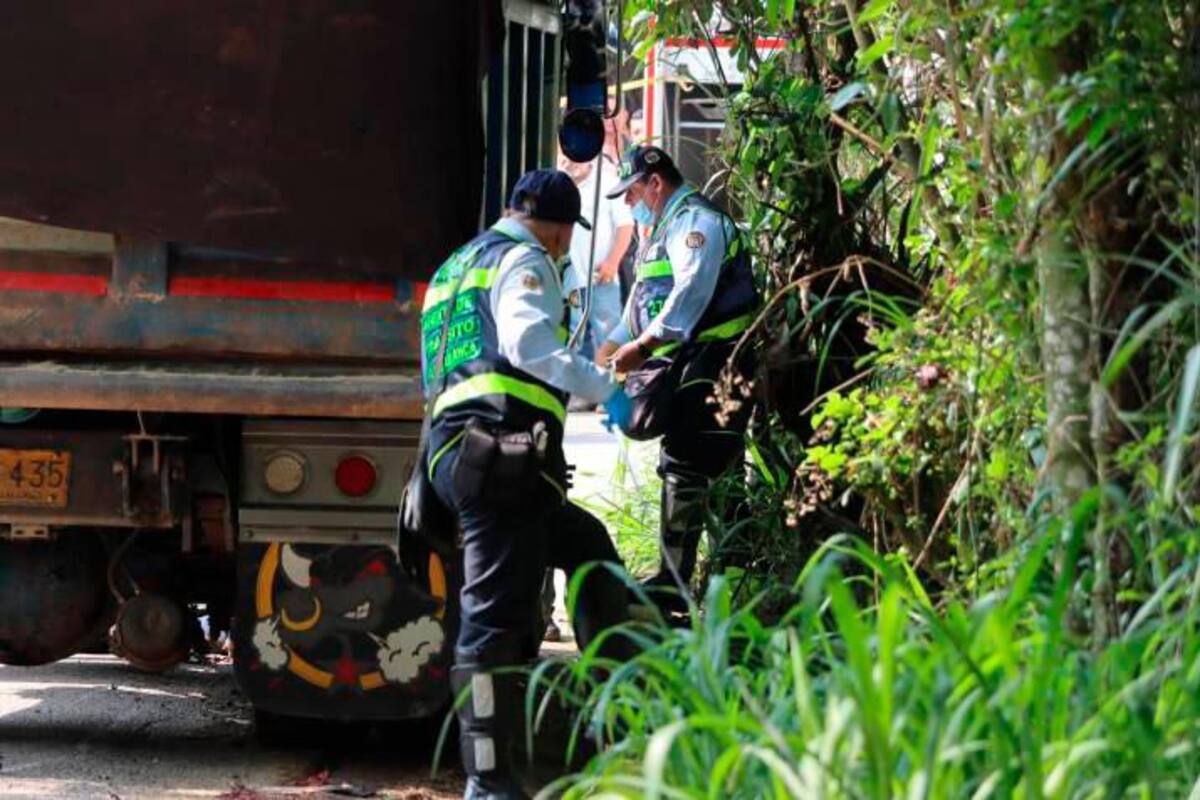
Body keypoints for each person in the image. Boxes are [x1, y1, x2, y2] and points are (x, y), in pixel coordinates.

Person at [420, 169, 634, 799]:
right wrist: (606, 391)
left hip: (456, 454)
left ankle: (612, 711)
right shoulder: (525, 260)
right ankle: (487, 782)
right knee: (489, 622)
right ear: (558, 227)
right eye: (567, 235)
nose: (566, 247)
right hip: (498, 458)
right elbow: (527, 344)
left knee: (587, 545)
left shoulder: (454, 268)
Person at [597, 146, 757, 608]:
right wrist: (604, 353)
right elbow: (637, 310)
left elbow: (691, 291)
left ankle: (686, 582)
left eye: (631, 193)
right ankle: (721, 576)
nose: (629, 203)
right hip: (689, 364)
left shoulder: (696, 223)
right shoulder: (661, 231)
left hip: (716, 362)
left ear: (655, 183)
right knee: (697, 463)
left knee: (694, 461)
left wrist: (643, 347)